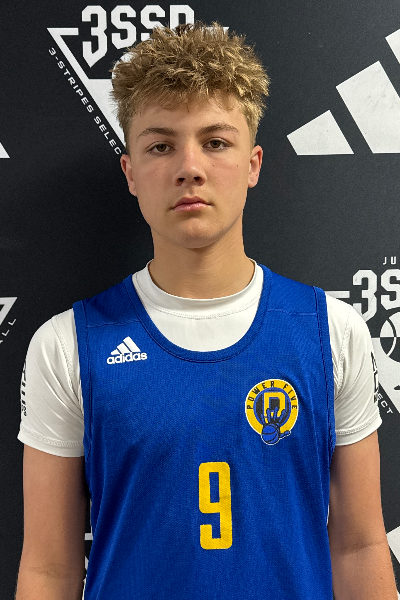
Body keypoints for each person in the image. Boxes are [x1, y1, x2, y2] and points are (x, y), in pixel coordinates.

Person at [15, 21, 397, 600]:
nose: (189, 167)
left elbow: (359, 547)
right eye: (161, 145)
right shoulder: (67, 345)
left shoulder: (332, 332)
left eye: (216, 142)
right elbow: (49, 569)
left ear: (253, 163)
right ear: (130, 172)